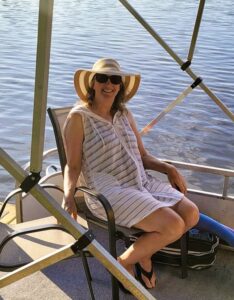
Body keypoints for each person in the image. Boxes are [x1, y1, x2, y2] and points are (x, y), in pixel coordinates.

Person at [62, 58, 233, 291]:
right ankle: (122, 263)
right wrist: (68, 193)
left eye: (115, 79)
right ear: (92, 84)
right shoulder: (78, 118)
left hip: (139, 181)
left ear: (121, 86)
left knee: (191, 213)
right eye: (102, 78)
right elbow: (72, 165)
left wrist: (169, 169)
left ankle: (141, 254)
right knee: (173, 225)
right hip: (108, 191)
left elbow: (142, 155)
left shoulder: (124, 114)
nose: (108, 84)